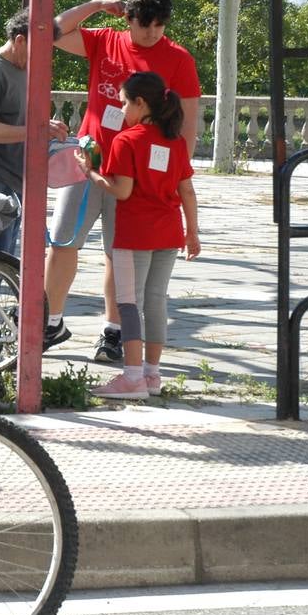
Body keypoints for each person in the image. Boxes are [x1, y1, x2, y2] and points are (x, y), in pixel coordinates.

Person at [44, 0, 200, 362]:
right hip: (90, 158)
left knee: (121, 251)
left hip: (137, 173)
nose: (152, 32)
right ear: (127, 17)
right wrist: (96, 3)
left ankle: (113, 331)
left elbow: (188, 123)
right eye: (145, 23)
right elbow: (52, 31)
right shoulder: (105, 41)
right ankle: (50, 321)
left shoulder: (179, 59)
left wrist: (176, 178)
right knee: (63, 239)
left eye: (159, 24)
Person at [76, 72, 201, 398]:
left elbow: (121, 190)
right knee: (157, 301)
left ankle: (131, 378)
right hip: (169, 231)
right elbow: (187, 190)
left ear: (140, 103)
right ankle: (152, 376)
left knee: (129, 303)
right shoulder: (175, 142)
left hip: (134, 234)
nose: (121, 107)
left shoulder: (126, 140)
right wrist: (193, 233)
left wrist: (90, 171)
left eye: (124, 102)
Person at [0, 8, 68, 255]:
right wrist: (34, 131)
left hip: (17, 182)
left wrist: (47, 129)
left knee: (4, 266)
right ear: (20, 40)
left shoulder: (24, 69)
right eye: (39, 49)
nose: (44, 57)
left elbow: (23, 123)